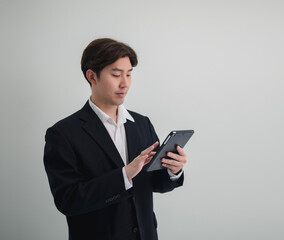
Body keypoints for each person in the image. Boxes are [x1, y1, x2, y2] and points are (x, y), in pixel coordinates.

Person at [43, 38, 187, 240]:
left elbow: (156, 183)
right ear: (92, 76)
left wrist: (174, 170)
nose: (125, 83)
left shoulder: (142, 123)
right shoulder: (63, 134)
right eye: (116, 74)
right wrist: (125, 175)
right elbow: (68, 200)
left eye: (129, 74)